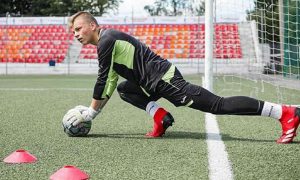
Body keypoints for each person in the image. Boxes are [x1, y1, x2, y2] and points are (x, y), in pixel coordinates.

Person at [67, 11, 299, 144]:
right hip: (153, 81)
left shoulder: (106, 40)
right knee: (126, 89)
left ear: (93, 25)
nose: (76, 34)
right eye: (74, 31)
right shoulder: (107, 42)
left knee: (218, 105)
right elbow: (110, 80)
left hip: (164, 80)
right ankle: (160, 117)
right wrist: (94, 110)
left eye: (79, 28)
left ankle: (284, 112)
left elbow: (102, 78)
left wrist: (92, 112)